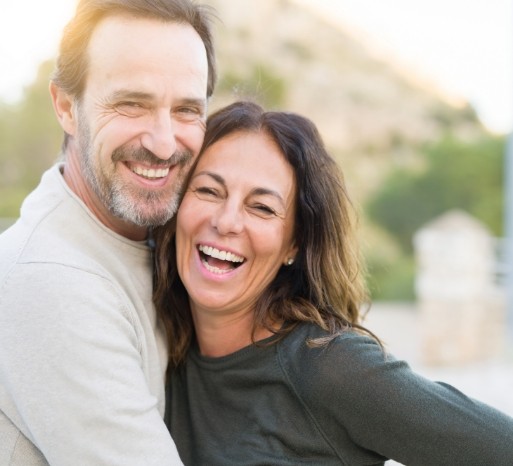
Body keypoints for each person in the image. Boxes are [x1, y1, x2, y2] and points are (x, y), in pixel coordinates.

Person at [154, 101, 513, 466]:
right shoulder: (151, 346)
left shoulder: (330, 366)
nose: (226, 221)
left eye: (262, 207)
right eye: (208, 191)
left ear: (294, 244)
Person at [0, 0, 217, 464]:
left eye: (185, 110)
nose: (163, 143)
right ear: (65, 107)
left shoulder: (169, 244)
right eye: (131, 104)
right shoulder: (51, 282)